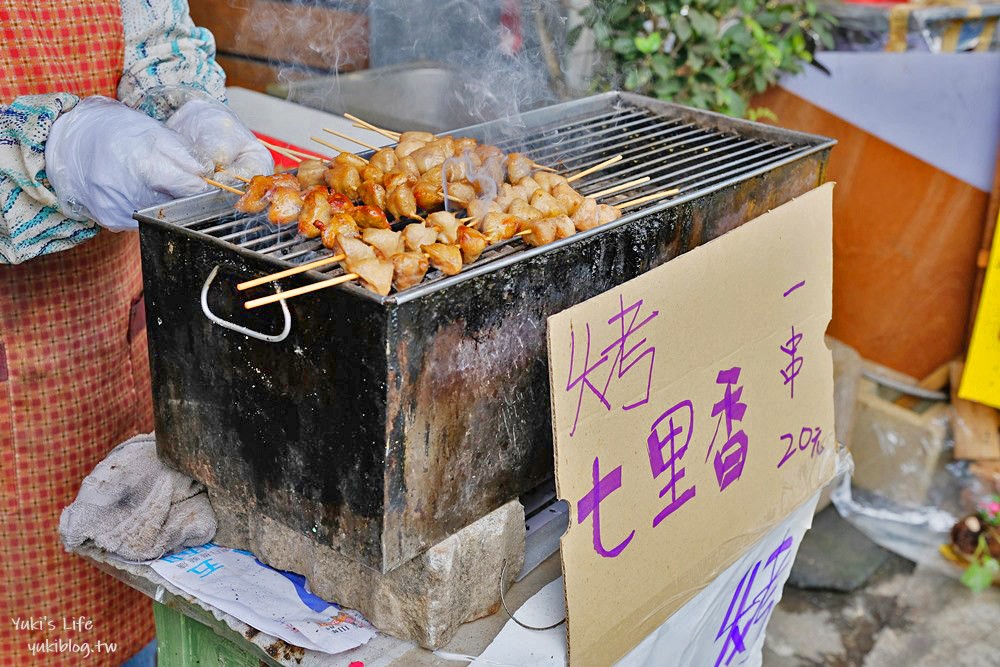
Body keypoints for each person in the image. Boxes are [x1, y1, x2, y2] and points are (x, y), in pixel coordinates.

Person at [0, 1, 272, 664]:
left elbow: (156, 35)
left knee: (132, 609)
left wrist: (187, 108)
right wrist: (56, 152)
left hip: (113, 365)